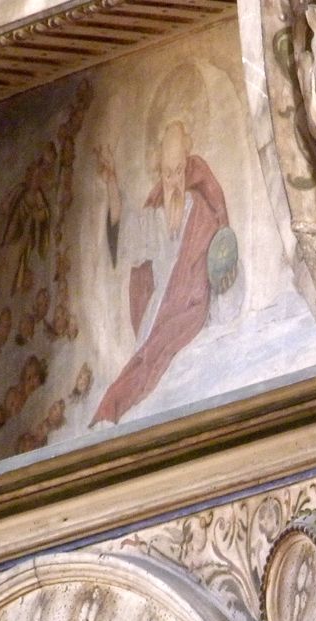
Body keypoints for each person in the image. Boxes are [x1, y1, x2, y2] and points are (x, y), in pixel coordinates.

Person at [90, 103, 238, 426]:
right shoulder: (155, 220)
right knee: (145, 365)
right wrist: (112, 181)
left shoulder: (200, 211)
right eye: (166, 173)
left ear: (187, 168)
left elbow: (222, 263)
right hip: (159, 314)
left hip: (192, 311)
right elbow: (123, 231)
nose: (172, 180)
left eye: (178, 171)